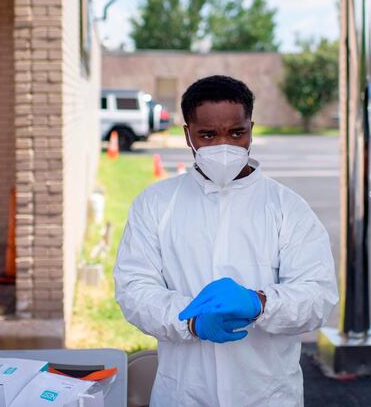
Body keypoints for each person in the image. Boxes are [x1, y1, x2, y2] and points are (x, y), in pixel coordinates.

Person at [114, 75, 338, 406]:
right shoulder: (157, 204)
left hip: (267, 395)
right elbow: (133, 289)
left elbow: (318, 295)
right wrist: (189, 320)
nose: (224, 145)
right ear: (187, 133)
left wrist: (260, 302)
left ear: (251, 128)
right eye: (208, 134)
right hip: (184, 394)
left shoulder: (287, 208)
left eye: (237, 132)